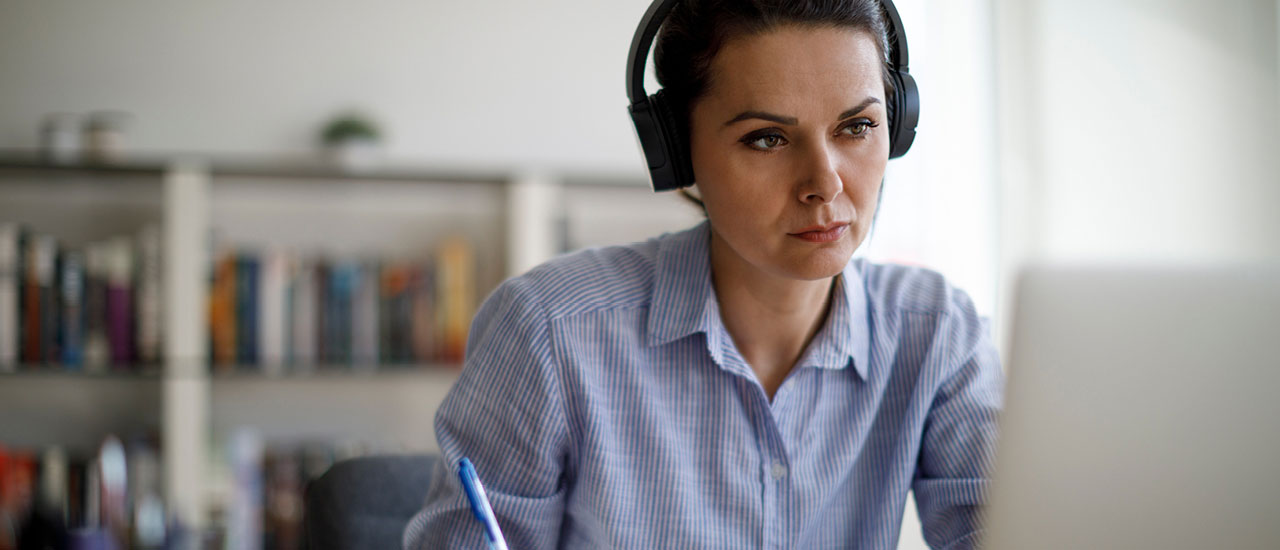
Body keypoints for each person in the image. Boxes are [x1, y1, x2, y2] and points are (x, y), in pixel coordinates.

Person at [404, 0, 1002, 548]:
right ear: (679, 152)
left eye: (857, 127)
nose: (825, 183)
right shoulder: (550, 332)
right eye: (767, 138)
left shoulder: (940, 334)